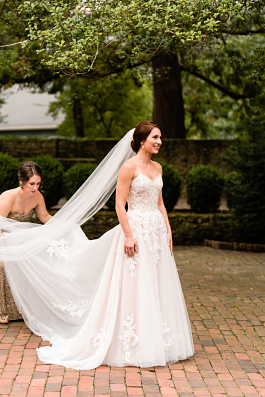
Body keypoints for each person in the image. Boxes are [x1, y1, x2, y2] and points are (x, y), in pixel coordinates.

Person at [0, 121, 194, 369]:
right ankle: (134, 340)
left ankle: (160, 338)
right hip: (135, 230)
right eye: (155, 137)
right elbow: (119, 204)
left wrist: (167, 229)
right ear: (142, 140)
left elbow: (160, 203)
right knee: (136, 283)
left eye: (160, 137)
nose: (159, 141)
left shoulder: (158, 168)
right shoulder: (128, 167)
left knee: (156, 281)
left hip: (156, 232)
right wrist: (128, 235)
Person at [0, 161, 52, 323]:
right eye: (31, 184)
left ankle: (28, 308)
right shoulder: (8, 197)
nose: (35, 188)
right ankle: (4, 311)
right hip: (2, 238)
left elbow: (45, 218)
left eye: (38, 183)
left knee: (40, 257)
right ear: (21, 181)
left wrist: (64, 224)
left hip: (21, 241)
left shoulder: (37, 197)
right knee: (3, 262)